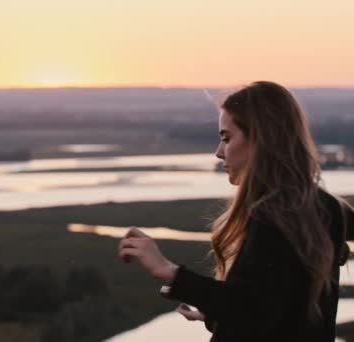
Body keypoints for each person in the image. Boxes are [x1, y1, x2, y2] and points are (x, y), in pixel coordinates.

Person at [118, 81, 354, 341]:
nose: (219, 152)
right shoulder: (323, 207)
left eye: (226, 138)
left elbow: (251, 308)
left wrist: (168, 270)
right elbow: (278, 312)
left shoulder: (273, 214)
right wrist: (215, 316)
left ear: (261, 140)